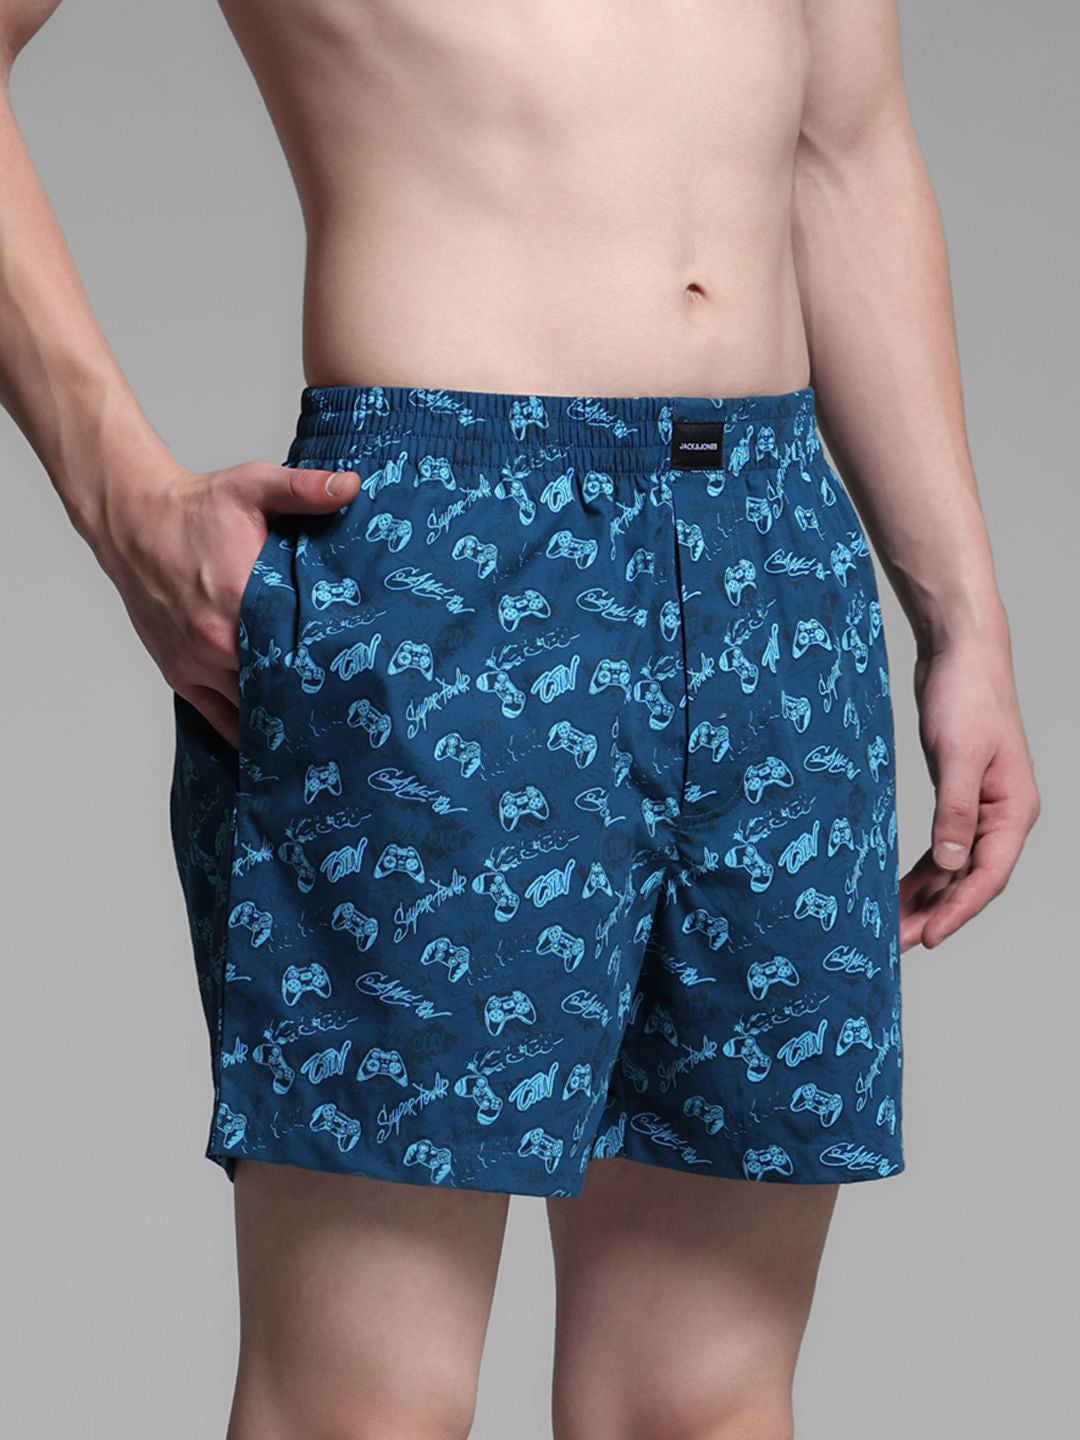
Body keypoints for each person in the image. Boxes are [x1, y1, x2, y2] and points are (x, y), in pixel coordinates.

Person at [1, 1, 1041, 1437]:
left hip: (774, 561)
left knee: (701, 1402)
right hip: (453, 546)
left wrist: (964, 622)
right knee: (362, 1407)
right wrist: (124, 503)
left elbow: (844, 149)